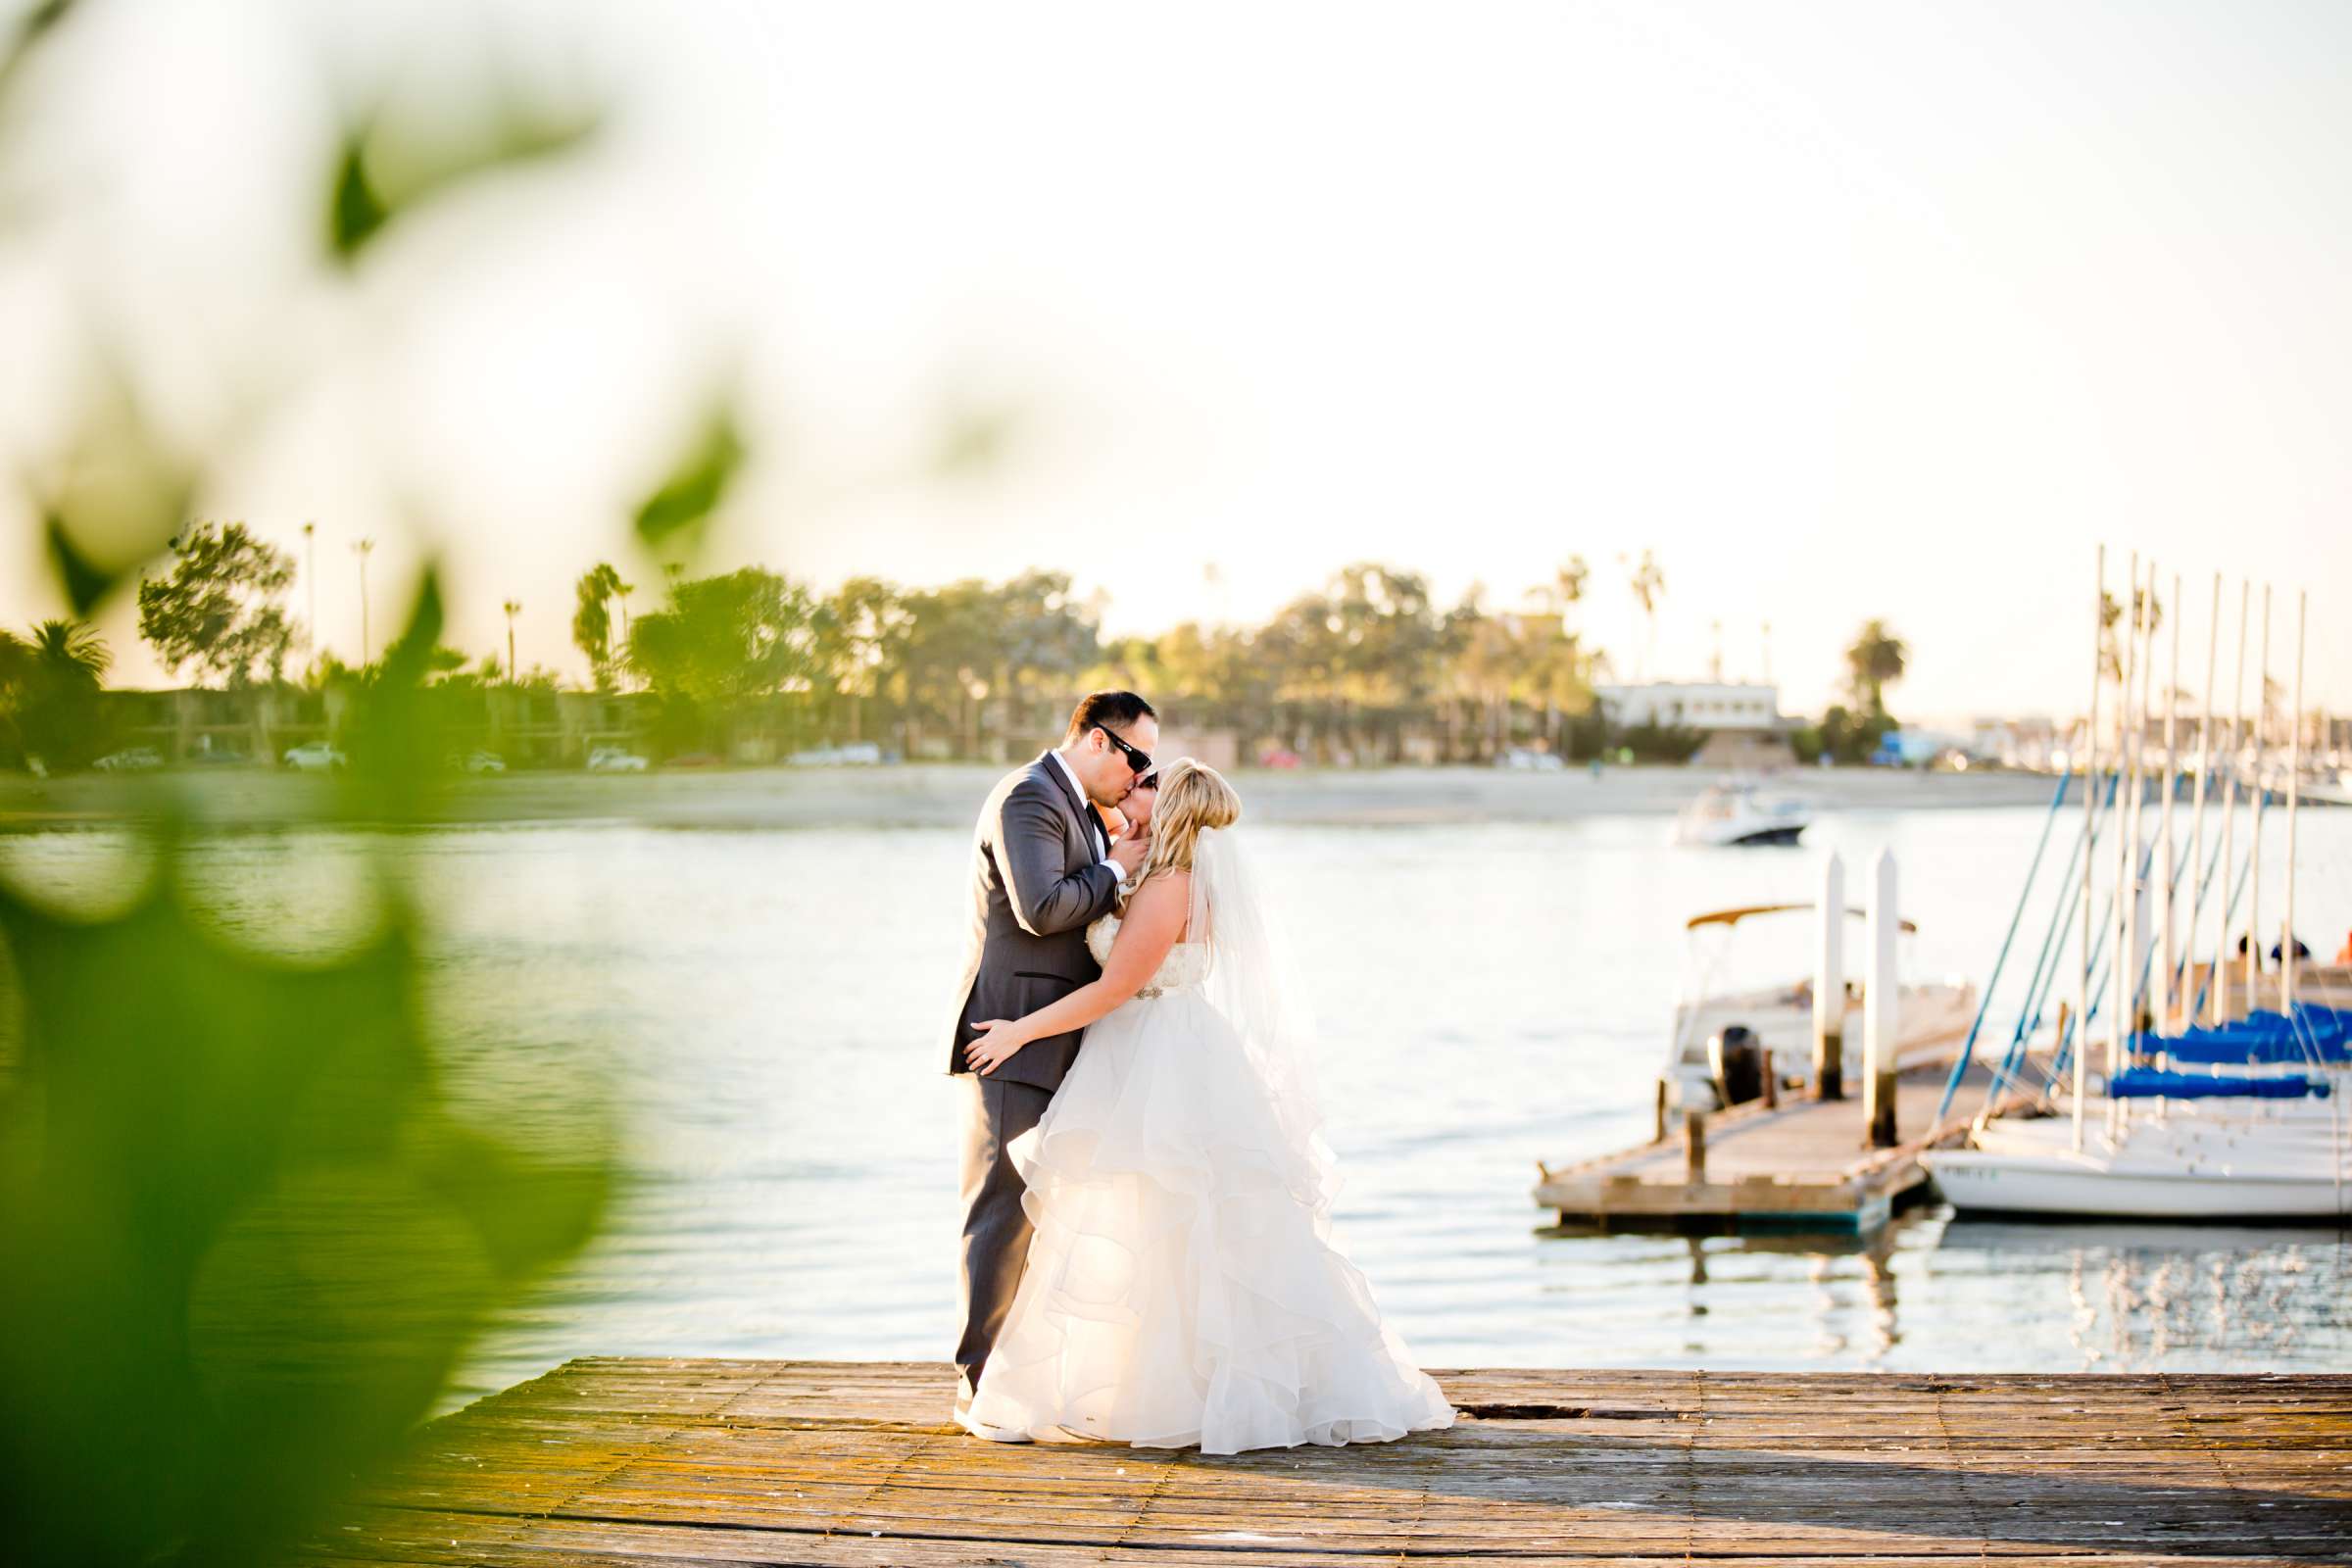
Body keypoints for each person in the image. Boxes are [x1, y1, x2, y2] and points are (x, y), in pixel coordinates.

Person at [960, 760, 1455, 1453]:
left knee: (1168, 1223)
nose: (1131, 792)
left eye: (1144, 788)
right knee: (1170, 1224)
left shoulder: (1168, 889)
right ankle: (1160, 1382)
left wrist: (1021, 1030)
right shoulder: (1167, 880)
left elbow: (1113, 990)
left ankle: (1178, 1391)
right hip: (1163, 1048)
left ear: (1171, 811)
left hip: (1153, 1055)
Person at [947, 691, 1157, 1440]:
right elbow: (1041, 908)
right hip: (1012, 1037)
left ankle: (1029, 1378)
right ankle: (981, 1386)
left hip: (1059, 1036)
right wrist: (1114, 866)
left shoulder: (1072, 804)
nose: (1140, 775)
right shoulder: (1029, 798)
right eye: (1137, 758)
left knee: (1048, 1213)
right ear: (1098, 742)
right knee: (1003, 1208)